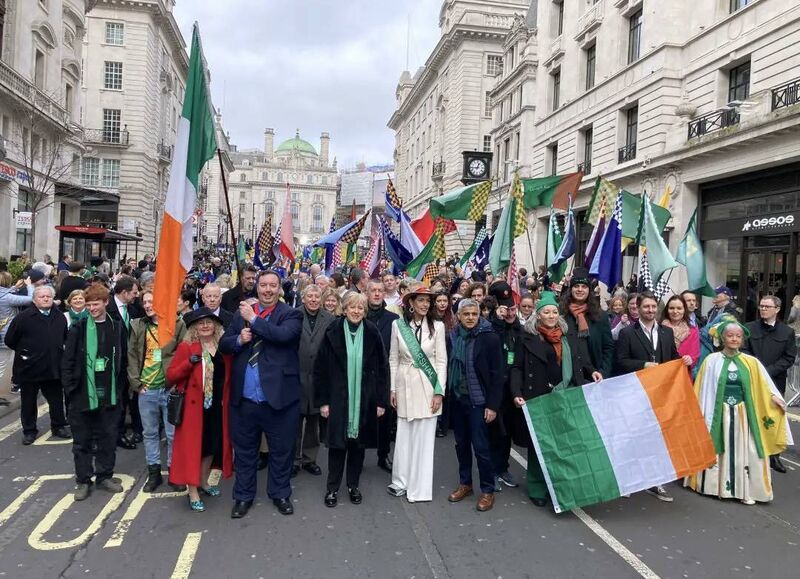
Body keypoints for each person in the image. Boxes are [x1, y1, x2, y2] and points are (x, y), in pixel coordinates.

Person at [220, 270, 303, 518]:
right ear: (257, 288)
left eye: (272, 286)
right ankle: (243, 496)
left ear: (280, 289)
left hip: (279, 399)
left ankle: (280, 493)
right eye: (263, 285)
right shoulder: (241, 314)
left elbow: (283, 336)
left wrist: (254, 321)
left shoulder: (291, 314)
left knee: (281, 451)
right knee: (245, 453)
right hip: (245, 399)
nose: (267, 290)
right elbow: (224, 343)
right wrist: (239, 339)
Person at [687, 316, 793, 504]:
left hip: (743, 415)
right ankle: (714, 486)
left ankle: (745, 489)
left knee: (745, 449)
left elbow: (764, 386)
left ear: (742, 339)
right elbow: (702, 389)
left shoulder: (751, 363)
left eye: (738, 336)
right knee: (720, 446)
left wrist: (774, 397)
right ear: (723, 338)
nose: (734, 339)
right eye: (730, 336)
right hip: (719, 413)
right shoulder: (711, 361)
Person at [511, 292, 602, 506]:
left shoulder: (568, 336)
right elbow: (516, 368)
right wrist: (516, 393)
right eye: (546, 312)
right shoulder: (527, 338)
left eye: (553, 312)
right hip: (539, 398)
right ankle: (537, 488)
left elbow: (582, 360)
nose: (551, 315)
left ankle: (559, 485)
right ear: (538, 315)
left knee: (563, 444)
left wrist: (592, 372)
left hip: (565, 396)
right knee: (539, 444)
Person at [314, 291, 389, 507]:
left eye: (360, 308)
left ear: (364, 311)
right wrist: (324, 402)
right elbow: (320, 369)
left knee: (358, 447)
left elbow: (383, 369)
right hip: (337, 398)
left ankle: (353, 486)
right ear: (344, 309)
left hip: (365, 400)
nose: (356, 311)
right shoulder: (332, 331)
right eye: (352, 307)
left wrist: (381, 402)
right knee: (338, 447)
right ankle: (332, 489)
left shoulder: (372, 332)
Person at [615, 291, 692, 502]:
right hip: (636, 393)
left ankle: (655, 481)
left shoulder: (666, 333)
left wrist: (684, 360)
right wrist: (643, 365)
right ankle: (628, 480)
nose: (650, 310)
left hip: (660, 394)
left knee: (656, 437)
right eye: (646, 306)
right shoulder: (628, 333)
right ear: (638, 308)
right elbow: (620, 361)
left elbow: (673, 359)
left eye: (653, 307)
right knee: (632, 437)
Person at [61, 283, 128, 501]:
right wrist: (71, 391)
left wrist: (120, 390)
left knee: (108, 437)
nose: (91, 308)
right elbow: (67, 362)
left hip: (109, 394)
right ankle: (83, 480)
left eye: (96, 304)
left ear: (106, 303)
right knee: (82, 441)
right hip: (82, 394)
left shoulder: (116, 327)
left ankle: (104, 476)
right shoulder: (78, 329)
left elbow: (124, 360)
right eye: (88, 305)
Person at [167, 308, 234, 512]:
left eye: (209, 322)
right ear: (194, 327)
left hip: (217, 406)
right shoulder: (187, 347)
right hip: (194, 409)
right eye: (201, 323)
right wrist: (188, 364)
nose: (205, 326)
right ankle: (193, 490)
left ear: (216, 326)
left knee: (210, 447)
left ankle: (204, 482)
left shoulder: (222, 346)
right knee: (193, 450)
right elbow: (170, 376)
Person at [387, 287, 447, 502]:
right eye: (420, 300)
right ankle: (400, 481)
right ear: (410, 302)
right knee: (404, 434)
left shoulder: (438, 327)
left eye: (427, 301)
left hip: (428, 386)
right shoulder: (398, 325)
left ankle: (419, 488)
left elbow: (441, 361)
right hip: (404, 384)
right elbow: (393, 359)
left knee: (424, 437)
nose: (425, 305)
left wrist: (439, 391)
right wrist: (392, 388)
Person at [446, 298, 503, 512]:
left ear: (479, 315)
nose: (470, 318)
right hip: (458, 400)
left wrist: (492, 406)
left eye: (474, 314)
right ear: (458, 316)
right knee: (461, 445)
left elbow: (498, 375)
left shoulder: (489, 338)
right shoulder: (453, 337)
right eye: (466, 314)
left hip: (479, 403)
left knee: (481, 448)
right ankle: (465, 484)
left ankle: (487, 490)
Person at [129, 291, 186, 493]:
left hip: (169, 387)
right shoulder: (137, 325)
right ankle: (154, 473)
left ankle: (174, 473)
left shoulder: (176, 324)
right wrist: (136, 383)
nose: (147, 305)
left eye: (151, 301)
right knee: (150, 433)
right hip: (147, 389)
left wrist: (177, 380)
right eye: (144, 301)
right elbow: (132, 356)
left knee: (172, 434)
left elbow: (183, 353)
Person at [4, 285, 70, 445]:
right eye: (42, 297)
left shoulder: (59, 316)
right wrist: (26, 351)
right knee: (28, 401)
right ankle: (29, 430)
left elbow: (64, 338)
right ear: (34, 299)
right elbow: (10, 340)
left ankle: (58, 426)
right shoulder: (23, 317)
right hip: (29, 367)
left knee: (55, 400)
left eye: (48, 296)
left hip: (52, 367)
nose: (46, 299)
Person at [743, 295, 796, 474]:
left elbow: (789, 358)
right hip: (752, 378)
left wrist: (768, 372)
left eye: (767, 306)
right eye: (761, 306)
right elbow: (744, 351)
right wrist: (757, 371)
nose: (763, 309)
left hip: (775, 381)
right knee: (752, 415)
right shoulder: (749, 328)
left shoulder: (787, 332)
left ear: (777, 309)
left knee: (774, 418)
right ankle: (751, 454)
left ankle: (775, 456)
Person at [295, 284, 335, 477]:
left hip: (319, 377)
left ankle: (309, 459)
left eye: (316, 297)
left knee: (313, 421)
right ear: (303, 299)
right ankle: (293, 460)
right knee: (294, 421)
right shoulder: (293, 315)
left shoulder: (329, 319)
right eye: (309, 296)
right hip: (296, 376)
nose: (313, 300)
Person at [487, 281, 522, 491]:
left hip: (511, 386)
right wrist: (498, 322)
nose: (509, 312)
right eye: (504, 308)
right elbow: (492, 348)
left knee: (507, 430)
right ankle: (489, 470)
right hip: (493, 386)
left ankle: (502, 467)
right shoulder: (489, 325)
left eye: (511, 308)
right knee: (493, 431)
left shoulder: (517, 327)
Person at [365, 279, 399, 473]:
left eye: (380, 291)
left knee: (385, 419)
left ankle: (383, 454)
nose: (377, 294)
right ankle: (357, 455)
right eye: (373, 291)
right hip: (362, 374)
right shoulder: (359, 315)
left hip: (384, 375)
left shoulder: (393, 319)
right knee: (361, 417)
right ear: (367, 293)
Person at [107, 275, 143, 450]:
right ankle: (115, 434)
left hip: (132, 361)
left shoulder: (134, 309)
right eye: (134, 293)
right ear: (124, 292)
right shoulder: (107, 308)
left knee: (131, 398)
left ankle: (131, 430)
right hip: (114, 363)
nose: (137, 295)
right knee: (117, 399)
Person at [560, 268, 614, 378]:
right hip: (568, 376)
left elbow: (608, 348)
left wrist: (603, 372)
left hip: (595, 376)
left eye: (584, 286)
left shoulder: (600, 316)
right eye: (576, 286)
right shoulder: (561, 314)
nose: (580, 290)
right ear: (571, 289)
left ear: (589, 290)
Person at [0, 272, 34, 405]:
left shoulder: (6, 295)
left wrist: (16, 287)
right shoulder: (8, 298)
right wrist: (29, 286)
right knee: (1, 366)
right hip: (4, 336)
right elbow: (31, 299)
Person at [660, 295, 701, 369]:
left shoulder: (693, 331)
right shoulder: (658, 329)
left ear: (684, 310)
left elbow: (694, 356)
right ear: (667, 310)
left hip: (681, 373)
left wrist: (690, 360)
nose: (675, 311)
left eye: (679, 308)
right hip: (661, 371)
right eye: (671, 308)